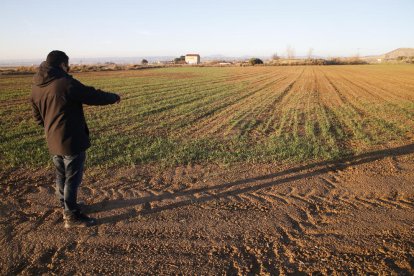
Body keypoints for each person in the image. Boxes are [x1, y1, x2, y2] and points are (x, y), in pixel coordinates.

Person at [31, 50, 121, 228]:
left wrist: (52, 129)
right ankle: (71, 216)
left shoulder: (36, 86)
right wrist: (114, 97)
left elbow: (38, 118)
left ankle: (66, 205)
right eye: (67, 65)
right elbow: (91, 95)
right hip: (71, 139)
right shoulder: (64, 82)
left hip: (53, 139)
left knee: (61, 175)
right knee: (72, 178)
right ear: (63, 64)